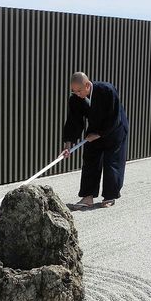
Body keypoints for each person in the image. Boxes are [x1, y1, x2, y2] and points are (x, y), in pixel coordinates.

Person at [61, 72, 129, 209]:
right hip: (95, 129)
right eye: (73, 91)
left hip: (115, 128)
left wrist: (99, 134)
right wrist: (68, 144)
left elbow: (114, 118)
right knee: (90, 159)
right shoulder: (75, 98)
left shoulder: (107, 90)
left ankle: (110, 196)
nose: (77, 94)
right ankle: (88, 196)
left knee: (112, 161)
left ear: (87, 85)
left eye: (79, 90)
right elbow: (73, 122)